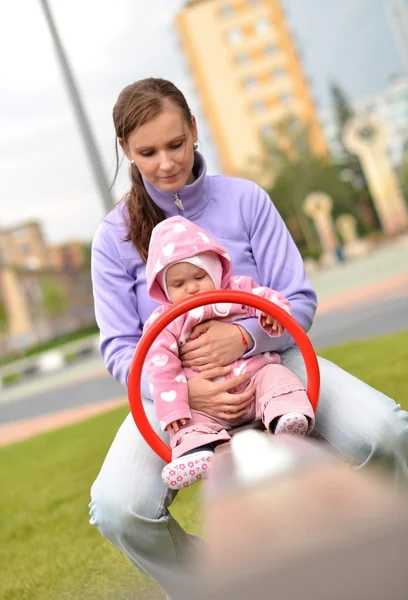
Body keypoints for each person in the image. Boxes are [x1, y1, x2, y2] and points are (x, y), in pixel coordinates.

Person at [89, 77, 408, 599]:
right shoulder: (114, 235)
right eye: (147, 152)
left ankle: (382, 553)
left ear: (194, 130)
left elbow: (296, 300)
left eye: (175, 144)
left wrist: (242, 337)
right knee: (118, 509)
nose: (166, 162)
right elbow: (121, 350)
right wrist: (186, 392)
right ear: (126, 152)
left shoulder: (245, 200)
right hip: (175, 393)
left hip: (273, 362)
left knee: (389, 432)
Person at [143, 215, 315, 489]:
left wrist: (274, 316)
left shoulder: (238, 289)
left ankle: (285, 415)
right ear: (164, 288)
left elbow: (269, 299)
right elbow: (159, 366)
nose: (191, 288)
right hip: (204, 401)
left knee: (277, 376)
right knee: (187, 424)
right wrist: (174, 406)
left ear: (215, 269)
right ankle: (196, 453)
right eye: (178, 284)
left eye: (199, 276)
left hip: (254, 379)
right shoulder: (164, 321)